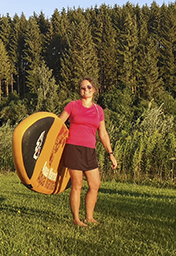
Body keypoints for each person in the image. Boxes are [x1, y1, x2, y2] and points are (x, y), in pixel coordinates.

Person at [59, 77, 118, 227]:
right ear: (80, 90)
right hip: (73, 148)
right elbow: (58, 124)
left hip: (90, 150)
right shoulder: (72, 105)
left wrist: (110, 154)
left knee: (95, 185)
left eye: (89, 87)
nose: (86, 90)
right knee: (77, 185)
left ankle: (89, 217)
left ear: (94, 90)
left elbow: (103, 134)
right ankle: (76, 219)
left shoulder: (99, 110)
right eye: (82, 88)